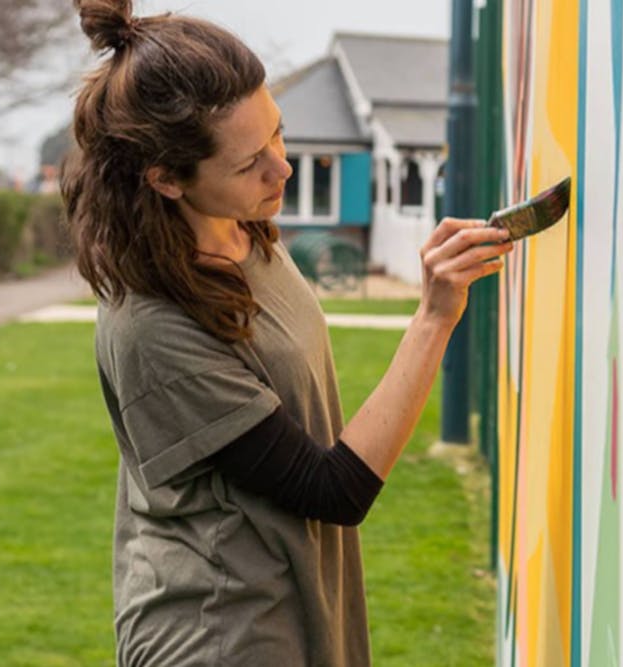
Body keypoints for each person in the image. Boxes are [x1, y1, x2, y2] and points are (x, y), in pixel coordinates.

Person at [61, 2, 514, 665]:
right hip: (222, 634)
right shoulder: (153, 325)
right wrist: (434, 318)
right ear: (164, 179)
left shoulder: (244, 232)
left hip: (293, 600)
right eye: (250, 164)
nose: (283, 168)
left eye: (279, 133)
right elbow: (332, 489)